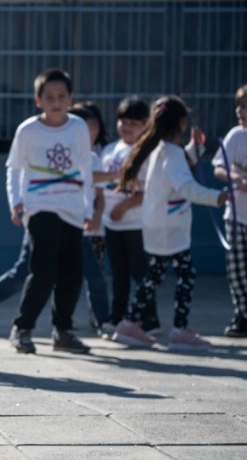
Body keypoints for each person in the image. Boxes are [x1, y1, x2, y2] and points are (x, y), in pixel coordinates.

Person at [112, 95, 227, 351]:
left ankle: (130, 323)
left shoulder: (162, 150)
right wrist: (217, 197)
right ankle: (179, 329)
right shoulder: (170, 153)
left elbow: (180, 169)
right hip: (170, 227)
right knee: (186, 274)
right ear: (182, 122)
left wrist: (195, 149)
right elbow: (185, 185)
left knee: (154, 275)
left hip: (157, 224)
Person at [5, 68, 95, 355]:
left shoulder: (78, 127)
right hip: (40, 206)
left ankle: (63, 331)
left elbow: (86, 168)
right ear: (38, 100)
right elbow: (15, 168)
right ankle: (23, 328)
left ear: (71, 98)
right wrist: (16, 201)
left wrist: (89, 206)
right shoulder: (28, 130)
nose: (56, 102)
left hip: (72, 207)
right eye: (49, 97)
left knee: (72, 273)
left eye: (61, 96)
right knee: (43, 269)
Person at [99, 97, 161, 337]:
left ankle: (149, 318)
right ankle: (118, 317)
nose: (126, 127)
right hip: (111, 225)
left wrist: (124, 207)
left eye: (133, 122)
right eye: (122, 121)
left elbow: (149, 191)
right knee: (119, 274)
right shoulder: (109, 150)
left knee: (141, 273)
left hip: (136, 224)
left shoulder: (147, 153)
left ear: (146, 125)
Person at [68, 102, 110, 337]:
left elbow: (100, 192)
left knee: (96, 276)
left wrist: (96, 215)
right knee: (69, 277)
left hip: (93, 228)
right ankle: (64, 320)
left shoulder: (96, 155)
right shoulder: (69, 152)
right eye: (85, 126)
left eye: (93, 125)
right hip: (71, 224)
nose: (90, 130)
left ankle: (101, 320)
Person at [213, 83, 247, 338]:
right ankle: (242, 313)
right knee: (236, 269)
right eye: (239, 105)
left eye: (245, 106)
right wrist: (234, 179)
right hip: (235, 215)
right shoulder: (236, 136)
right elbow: (218, 167)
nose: (240, 110)